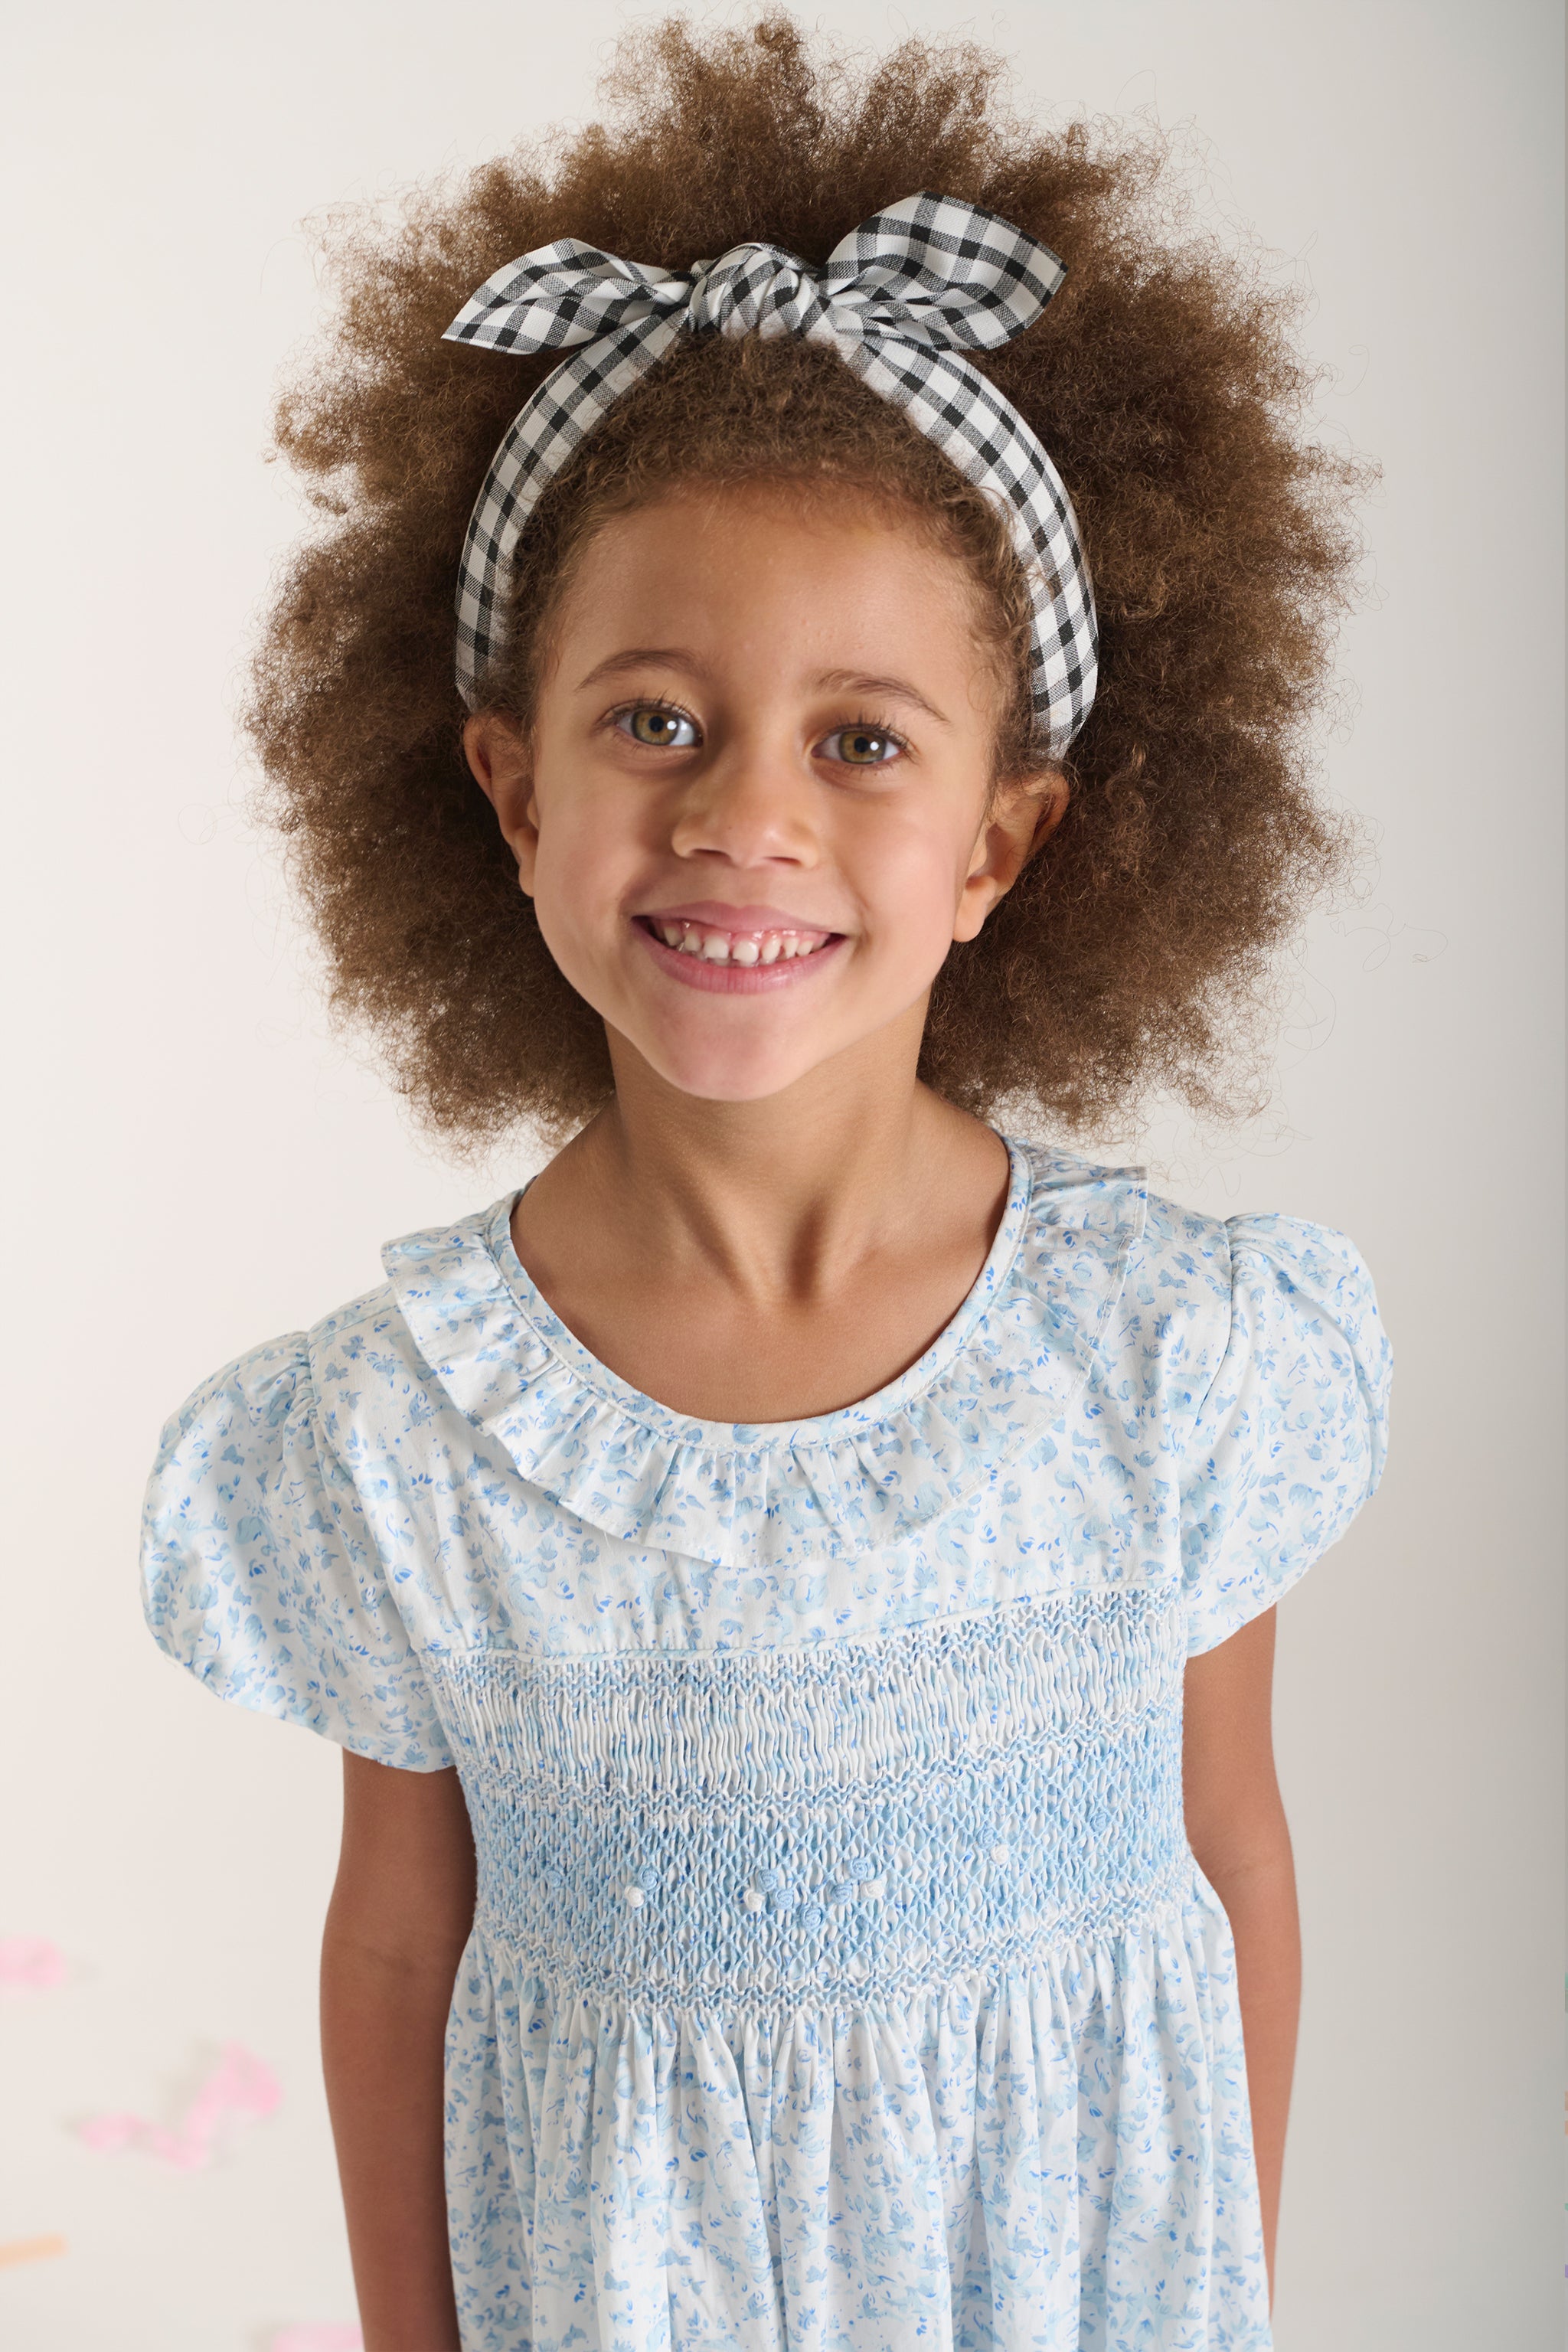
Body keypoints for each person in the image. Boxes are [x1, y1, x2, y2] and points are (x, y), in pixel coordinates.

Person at [140, 18, 1391, 2349]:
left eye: (861, 739)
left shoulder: (1177, 1363)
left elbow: (1232, 1855)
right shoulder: (402, 1442)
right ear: (511, 795)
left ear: (1004, 838)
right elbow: (402, 1942)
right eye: (653, 718)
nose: (745, 814)